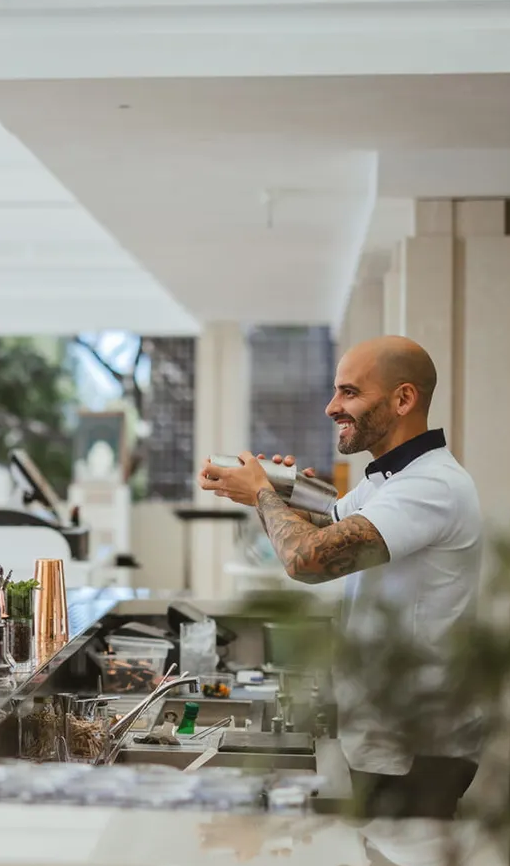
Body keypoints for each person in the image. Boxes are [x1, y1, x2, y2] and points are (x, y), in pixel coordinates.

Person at [197, 335, 484, 819]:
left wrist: (264, 494)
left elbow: (307, 559)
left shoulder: (431, 485)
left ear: (403, 399)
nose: (332, 407)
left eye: (349, 392)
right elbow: (320, 527)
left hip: (416, 746)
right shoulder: (388, 480)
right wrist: (275, 493)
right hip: (386, 738)